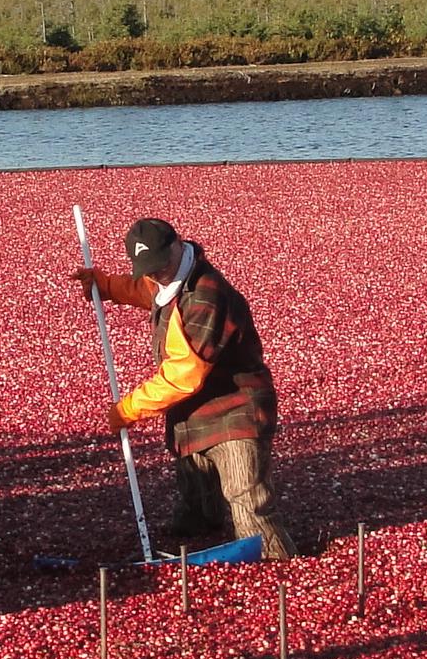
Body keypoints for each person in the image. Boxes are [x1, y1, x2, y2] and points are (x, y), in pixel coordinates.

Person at [72, 217, 299, 560]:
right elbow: (146, 291)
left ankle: (272, 560)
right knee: (195, 488)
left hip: (235, 407)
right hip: (192, 410)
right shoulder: (166, 278)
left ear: (178, 245)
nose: (157, 273)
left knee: (245, 494)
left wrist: (130, 408)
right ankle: (198, 537)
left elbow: (185, 374)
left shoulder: (206, 293)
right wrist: (105, 286)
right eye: (149, 268)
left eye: (161, 265)